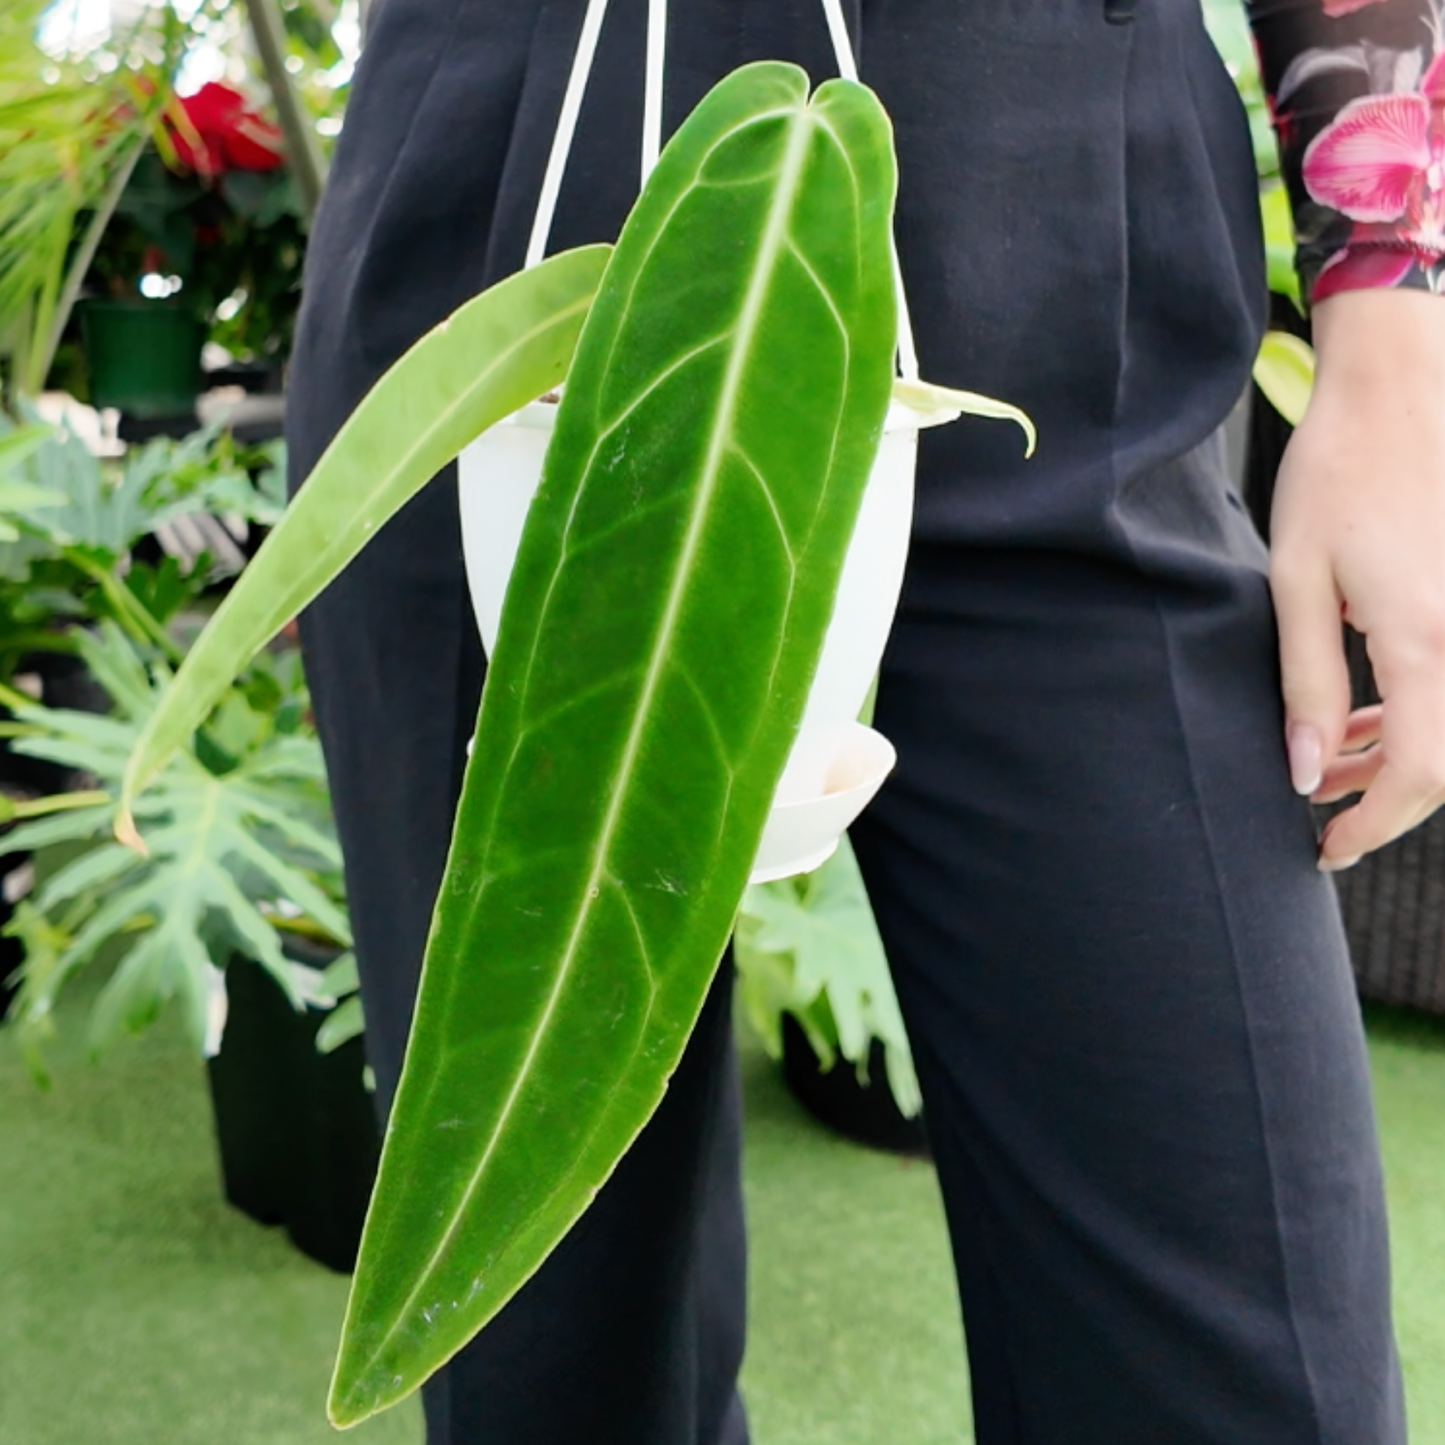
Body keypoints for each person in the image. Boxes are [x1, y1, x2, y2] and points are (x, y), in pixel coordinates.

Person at [287, 1, 1445, 1441]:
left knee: (1239, 1374)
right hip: (520, 233)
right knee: (552, 1371)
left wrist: (1394, 343)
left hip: (1060, 241)